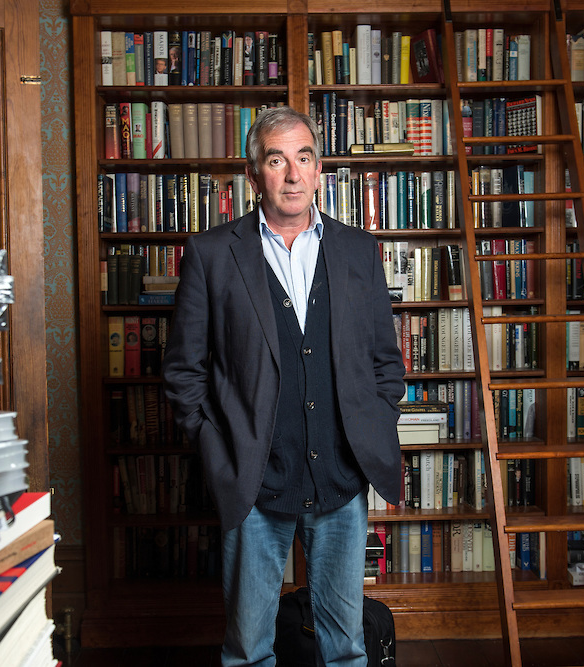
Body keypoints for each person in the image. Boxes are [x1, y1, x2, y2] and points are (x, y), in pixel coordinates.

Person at [162, 106, 405, 666]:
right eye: (277, 160)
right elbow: (184, 371)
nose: (293, 174)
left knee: (345, 648)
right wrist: (217, 448)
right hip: (253, 484)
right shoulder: (210, 254)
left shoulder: (357, 251)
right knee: (248, 650)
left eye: (304, 157)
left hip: (340, 482)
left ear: (319, 170)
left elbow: (384, 362)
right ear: (255, 176)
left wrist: (373, 423)